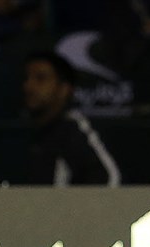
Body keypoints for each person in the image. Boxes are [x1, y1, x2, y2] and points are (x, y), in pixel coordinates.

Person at [19, 50, 121, 187]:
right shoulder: (26, 132)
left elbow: (109, 179)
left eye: (40, 78)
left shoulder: (72, 128)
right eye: (26, 78)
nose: (29, 86)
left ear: (64, 89)